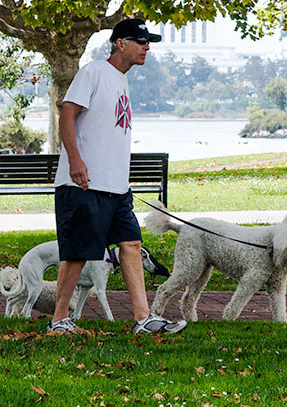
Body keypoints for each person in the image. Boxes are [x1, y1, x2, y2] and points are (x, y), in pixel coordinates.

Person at [49, 18, 187, 335]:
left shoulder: (121, 80)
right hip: (83, 184)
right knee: (78, 253)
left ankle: (143, 318)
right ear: (120, 44)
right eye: (141, 41)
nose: (147, 47)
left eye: (148, 42)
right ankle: (58, 320)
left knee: (132, 243)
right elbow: (67, 114)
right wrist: (75, 161)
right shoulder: (94, 72)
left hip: (116, 187)